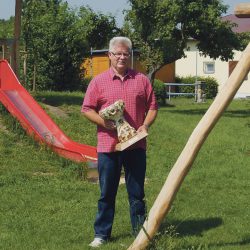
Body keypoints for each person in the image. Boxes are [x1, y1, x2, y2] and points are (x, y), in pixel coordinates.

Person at [81, 36, 158, 248]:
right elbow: (86, 109)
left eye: (126, 54)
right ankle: (101, 235)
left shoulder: (142, 80)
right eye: (118, 54)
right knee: (106, 192)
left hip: (136, 145)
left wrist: (145, 125)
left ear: (130, 56)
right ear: (110, 56)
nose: (122, 57)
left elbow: (153, 107)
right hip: (107, 147)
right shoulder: (98, 81)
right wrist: (103, 122)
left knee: (137, 193)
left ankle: (140, 233)